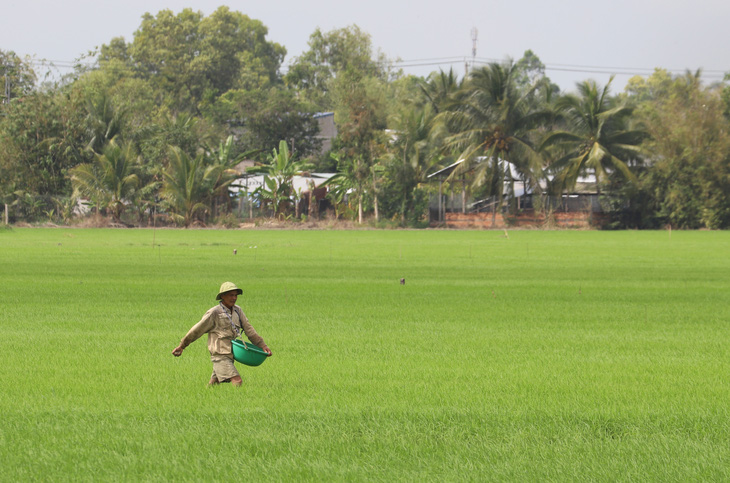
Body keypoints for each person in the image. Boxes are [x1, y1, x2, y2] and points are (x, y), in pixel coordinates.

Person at [172, 282, 272, 387]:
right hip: (219, 354)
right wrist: (182, 346)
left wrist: (262, 346)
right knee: (237, 381)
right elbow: (196, 330)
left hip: (231, 353)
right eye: (231, 295)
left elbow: (249, 329)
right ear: (222, 296)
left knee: (214, 383)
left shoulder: (238, 311)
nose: (234, 298)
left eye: (235, 295)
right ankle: (238, 402)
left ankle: (205, 397)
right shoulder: (214, 313)